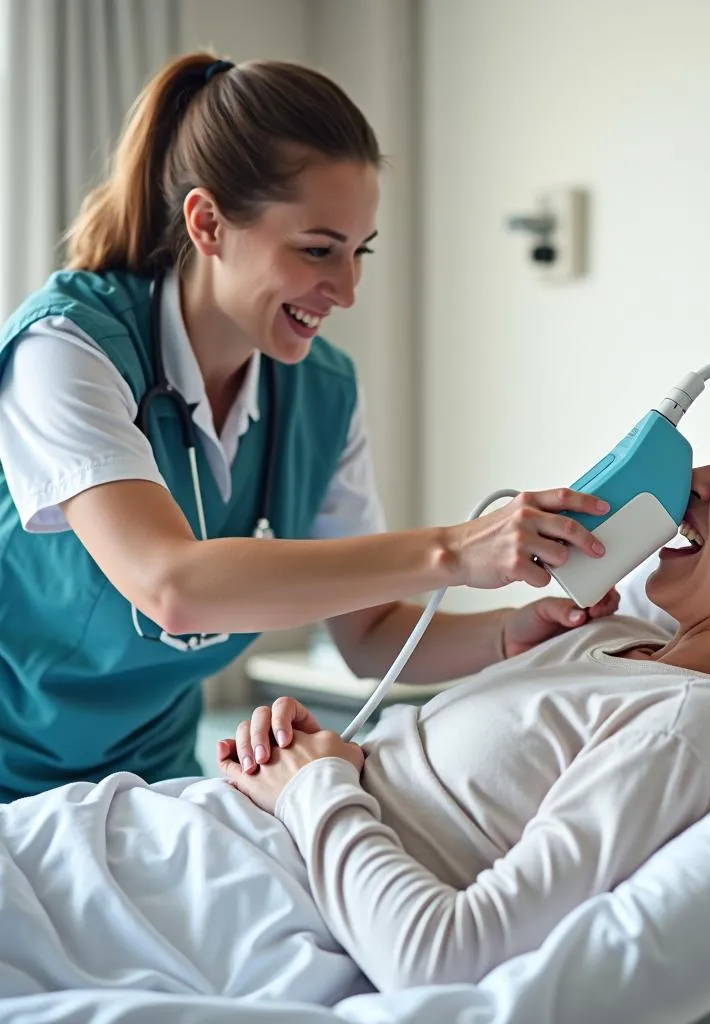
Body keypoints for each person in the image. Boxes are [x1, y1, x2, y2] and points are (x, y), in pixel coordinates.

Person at [0, 387, 710, 1001]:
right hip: (165, 837)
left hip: (228, 906)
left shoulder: (690, 733)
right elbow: (411, 784)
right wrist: (306, 755)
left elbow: (446, 957)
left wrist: (316, 790)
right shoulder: (618, 639)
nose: (695, 483)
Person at [0, 53, 618, 803]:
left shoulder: (322, 391)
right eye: (318, 250)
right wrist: (455, 549)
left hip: (146, 781)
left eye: (360, 252)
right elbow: (170, 587)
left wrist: (506, 636)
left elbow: (370, 636)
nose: (348, 290)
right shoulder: (69, 348)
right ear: (208, 224)